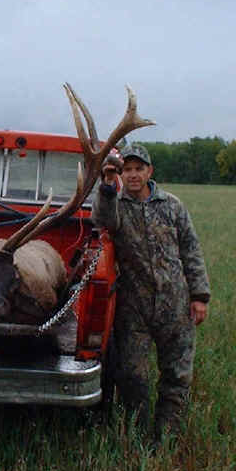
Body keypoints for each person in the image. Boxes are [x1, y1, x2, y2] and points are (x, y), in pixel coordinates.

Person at [93, 143, 210, 441]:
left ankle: (167, 437)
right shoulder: (117, 205)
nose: (133, 175)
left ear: (149, 171)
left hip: (176, 305)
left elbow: (191, 250)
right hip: (135, 309)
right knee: (133, 376)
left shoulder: (172, 205)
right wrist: (106, 185)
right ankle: (139, 436)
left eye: (138, 169)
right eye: (127, 170)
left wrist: (200, 296)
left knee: (177, 375)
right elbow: (103, 221)